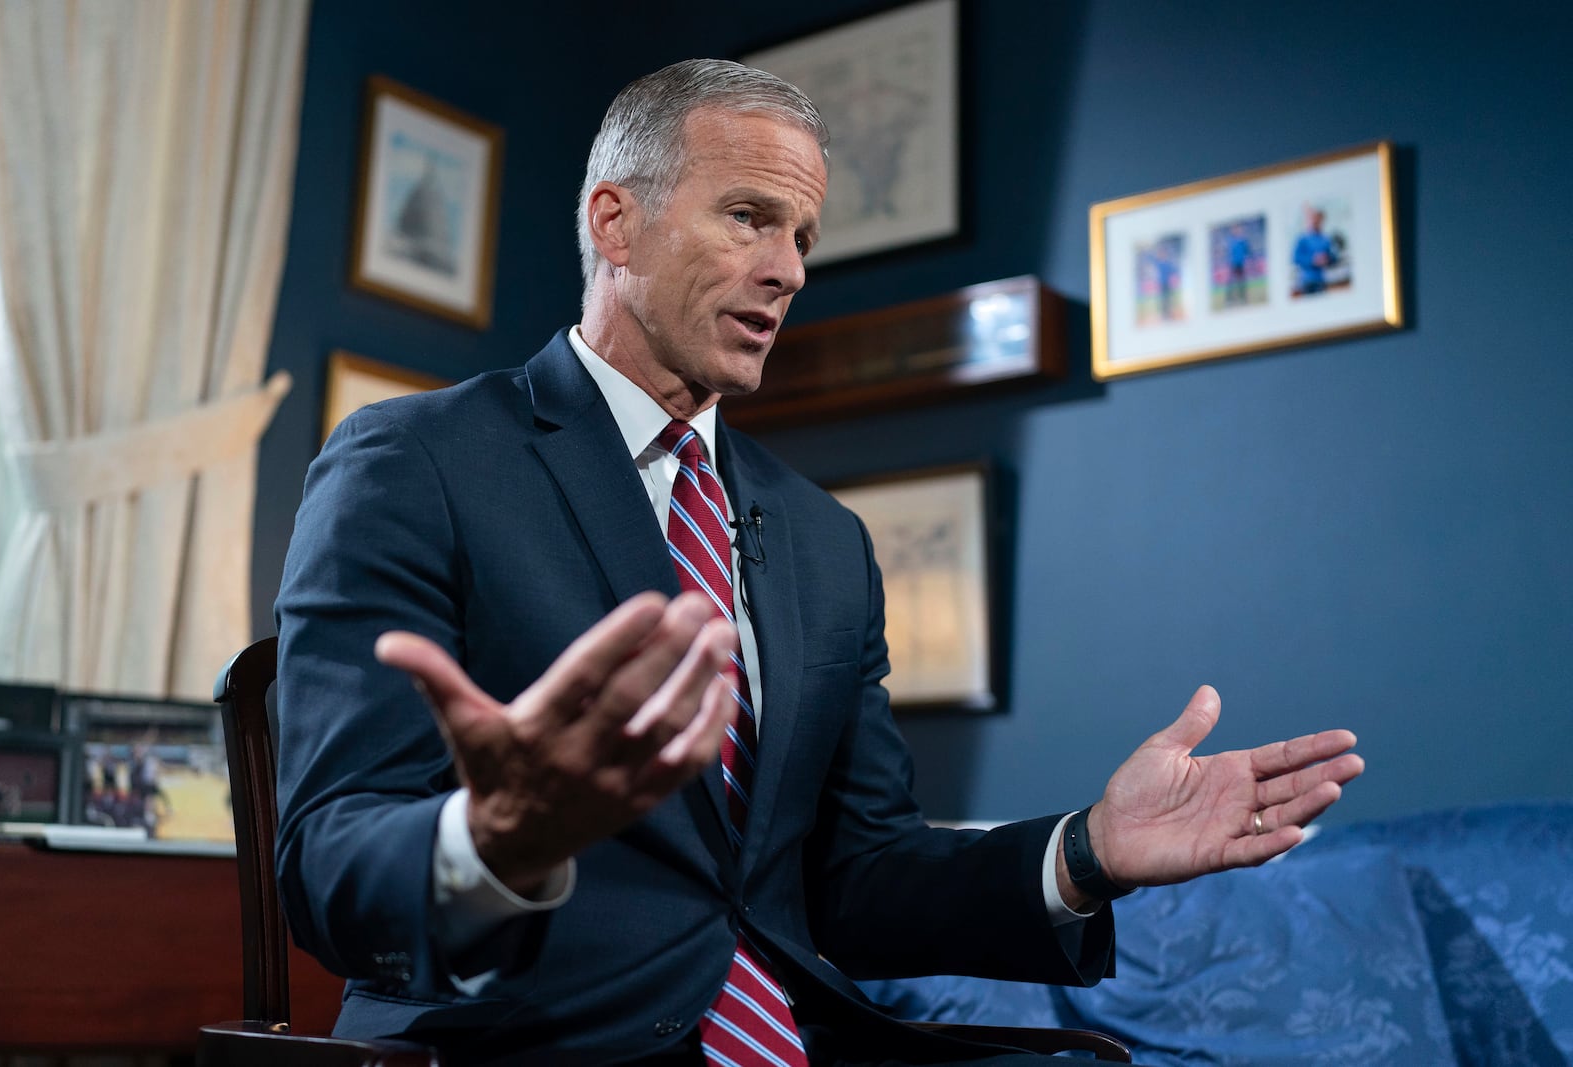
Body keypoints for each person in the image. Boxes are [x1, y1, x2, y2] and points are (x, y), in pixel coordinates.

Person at [274, 59, 1364, 1066]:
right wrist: (491, 837)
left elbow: (857, 878)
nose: (787, 269)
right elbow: (329, 862)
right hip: (524, 1038)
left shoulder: (821, 538)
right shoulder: (415, 460)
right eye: (748, 216)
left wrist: (1087, 850)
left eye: (801, 235)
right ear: (615, 220)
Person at [1292, 207, 1337, 295]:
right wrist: (1313, 260)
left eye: (1319, 219)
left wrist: (1328, 259)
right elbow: (1295, 258)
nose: (1316, 221)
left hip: (1321, 280)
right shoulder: (1303, 238)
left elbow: (1334, 257)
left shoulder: (1325, 239)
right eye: (1314, 219)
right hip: (1307, 282)